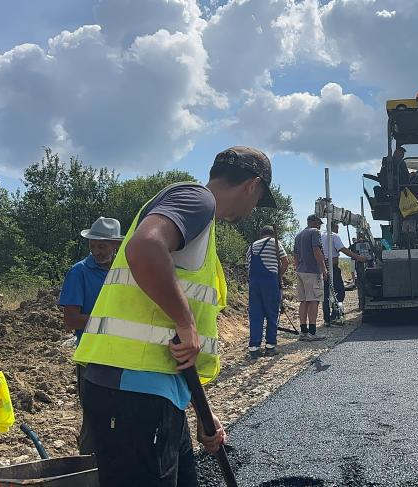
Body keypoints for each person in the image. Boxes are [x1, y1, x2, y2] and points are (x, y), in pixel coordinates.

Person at [73, 146, 277, 487]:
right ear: (252, 186)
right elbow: (144, 247)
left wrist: (201, 410)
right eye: (258, 200)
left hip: (157, 390)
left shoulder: (199, 228)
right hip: (131, 390)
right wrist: (186, 321)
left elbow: (175, 342)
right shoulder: (197, 200)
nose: (254, 208)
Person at [58, 217, 124, 454]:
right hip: (93, 358)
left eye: (102, 246)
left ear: (115, 245)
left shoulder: (125, 272)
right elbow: (71, 320)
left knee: (126, 417)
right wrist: (109, 324)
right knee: (95, 420)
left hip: (124, 356)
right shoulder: (79, 272)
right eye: (92, 245)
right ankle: (87, 467)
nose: (96, 251)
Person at [246, 225, 288, 358]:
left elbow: (248, 267)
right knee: (272, 313)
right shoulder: (275, 243)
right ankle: (270, 346)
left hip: (254, 283)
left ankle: (254, 348)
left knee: (256, 315)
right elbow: (285, 262)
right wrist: (278, 276)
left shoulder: (252, 246)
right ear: (272, 234)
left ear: (261, 235)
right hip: (269, 281)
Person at [321, 221, 368, 325]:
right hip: (333, 267)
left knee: (326, 293)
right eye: (337, 227)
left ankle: (326, 319)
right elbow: (342, 249)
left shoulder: (321, 235)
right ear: (335, 227)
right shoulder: (334, 236)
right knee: (339, 291)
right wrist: (358, 257)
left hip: (323, 267)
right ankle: (335, 315)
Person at [293, 214, 328, 340]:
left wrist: (298, 268)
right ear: (315, 222)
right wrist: (323, 268)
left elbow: (295, 255)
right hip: (312, 271)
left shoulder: (298, 235)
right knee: (314, 300)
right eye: (319, 223)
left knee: (303, 301)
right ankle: (313, 332)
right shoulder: (315, 232)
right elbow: (316, 251)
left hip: (301, 271)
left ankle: (303, 332)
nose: (320, 226)